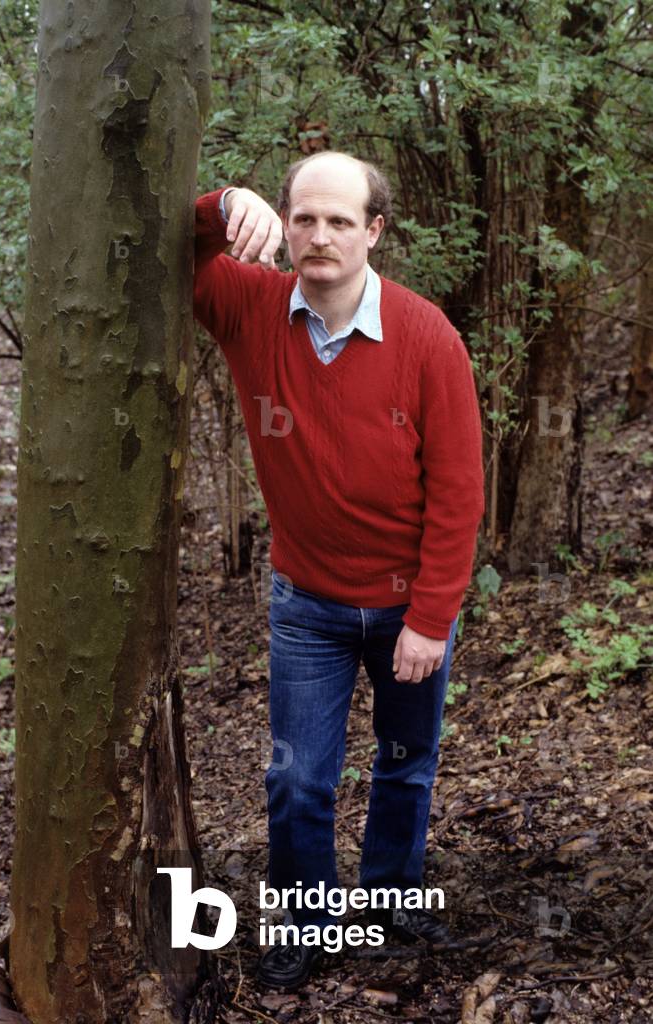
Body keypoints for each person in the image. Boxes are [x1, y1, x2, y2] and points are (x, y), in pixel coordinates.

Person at [192, 151, 485, 991]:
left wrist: (432, 617)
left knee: (405, 762)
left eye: (341, 221)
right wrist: (222, 207)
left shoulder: (426, 336)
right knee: (297, 775)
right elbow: (167, 253)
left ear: (375, 232)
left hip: (407, 604)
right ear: (284, 225)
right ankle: (307, 923)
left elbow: (460, 491)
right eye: (304, 218)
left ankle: (389, 897)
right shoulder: (249, 308)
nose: (320, 236)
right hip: (308, 602)